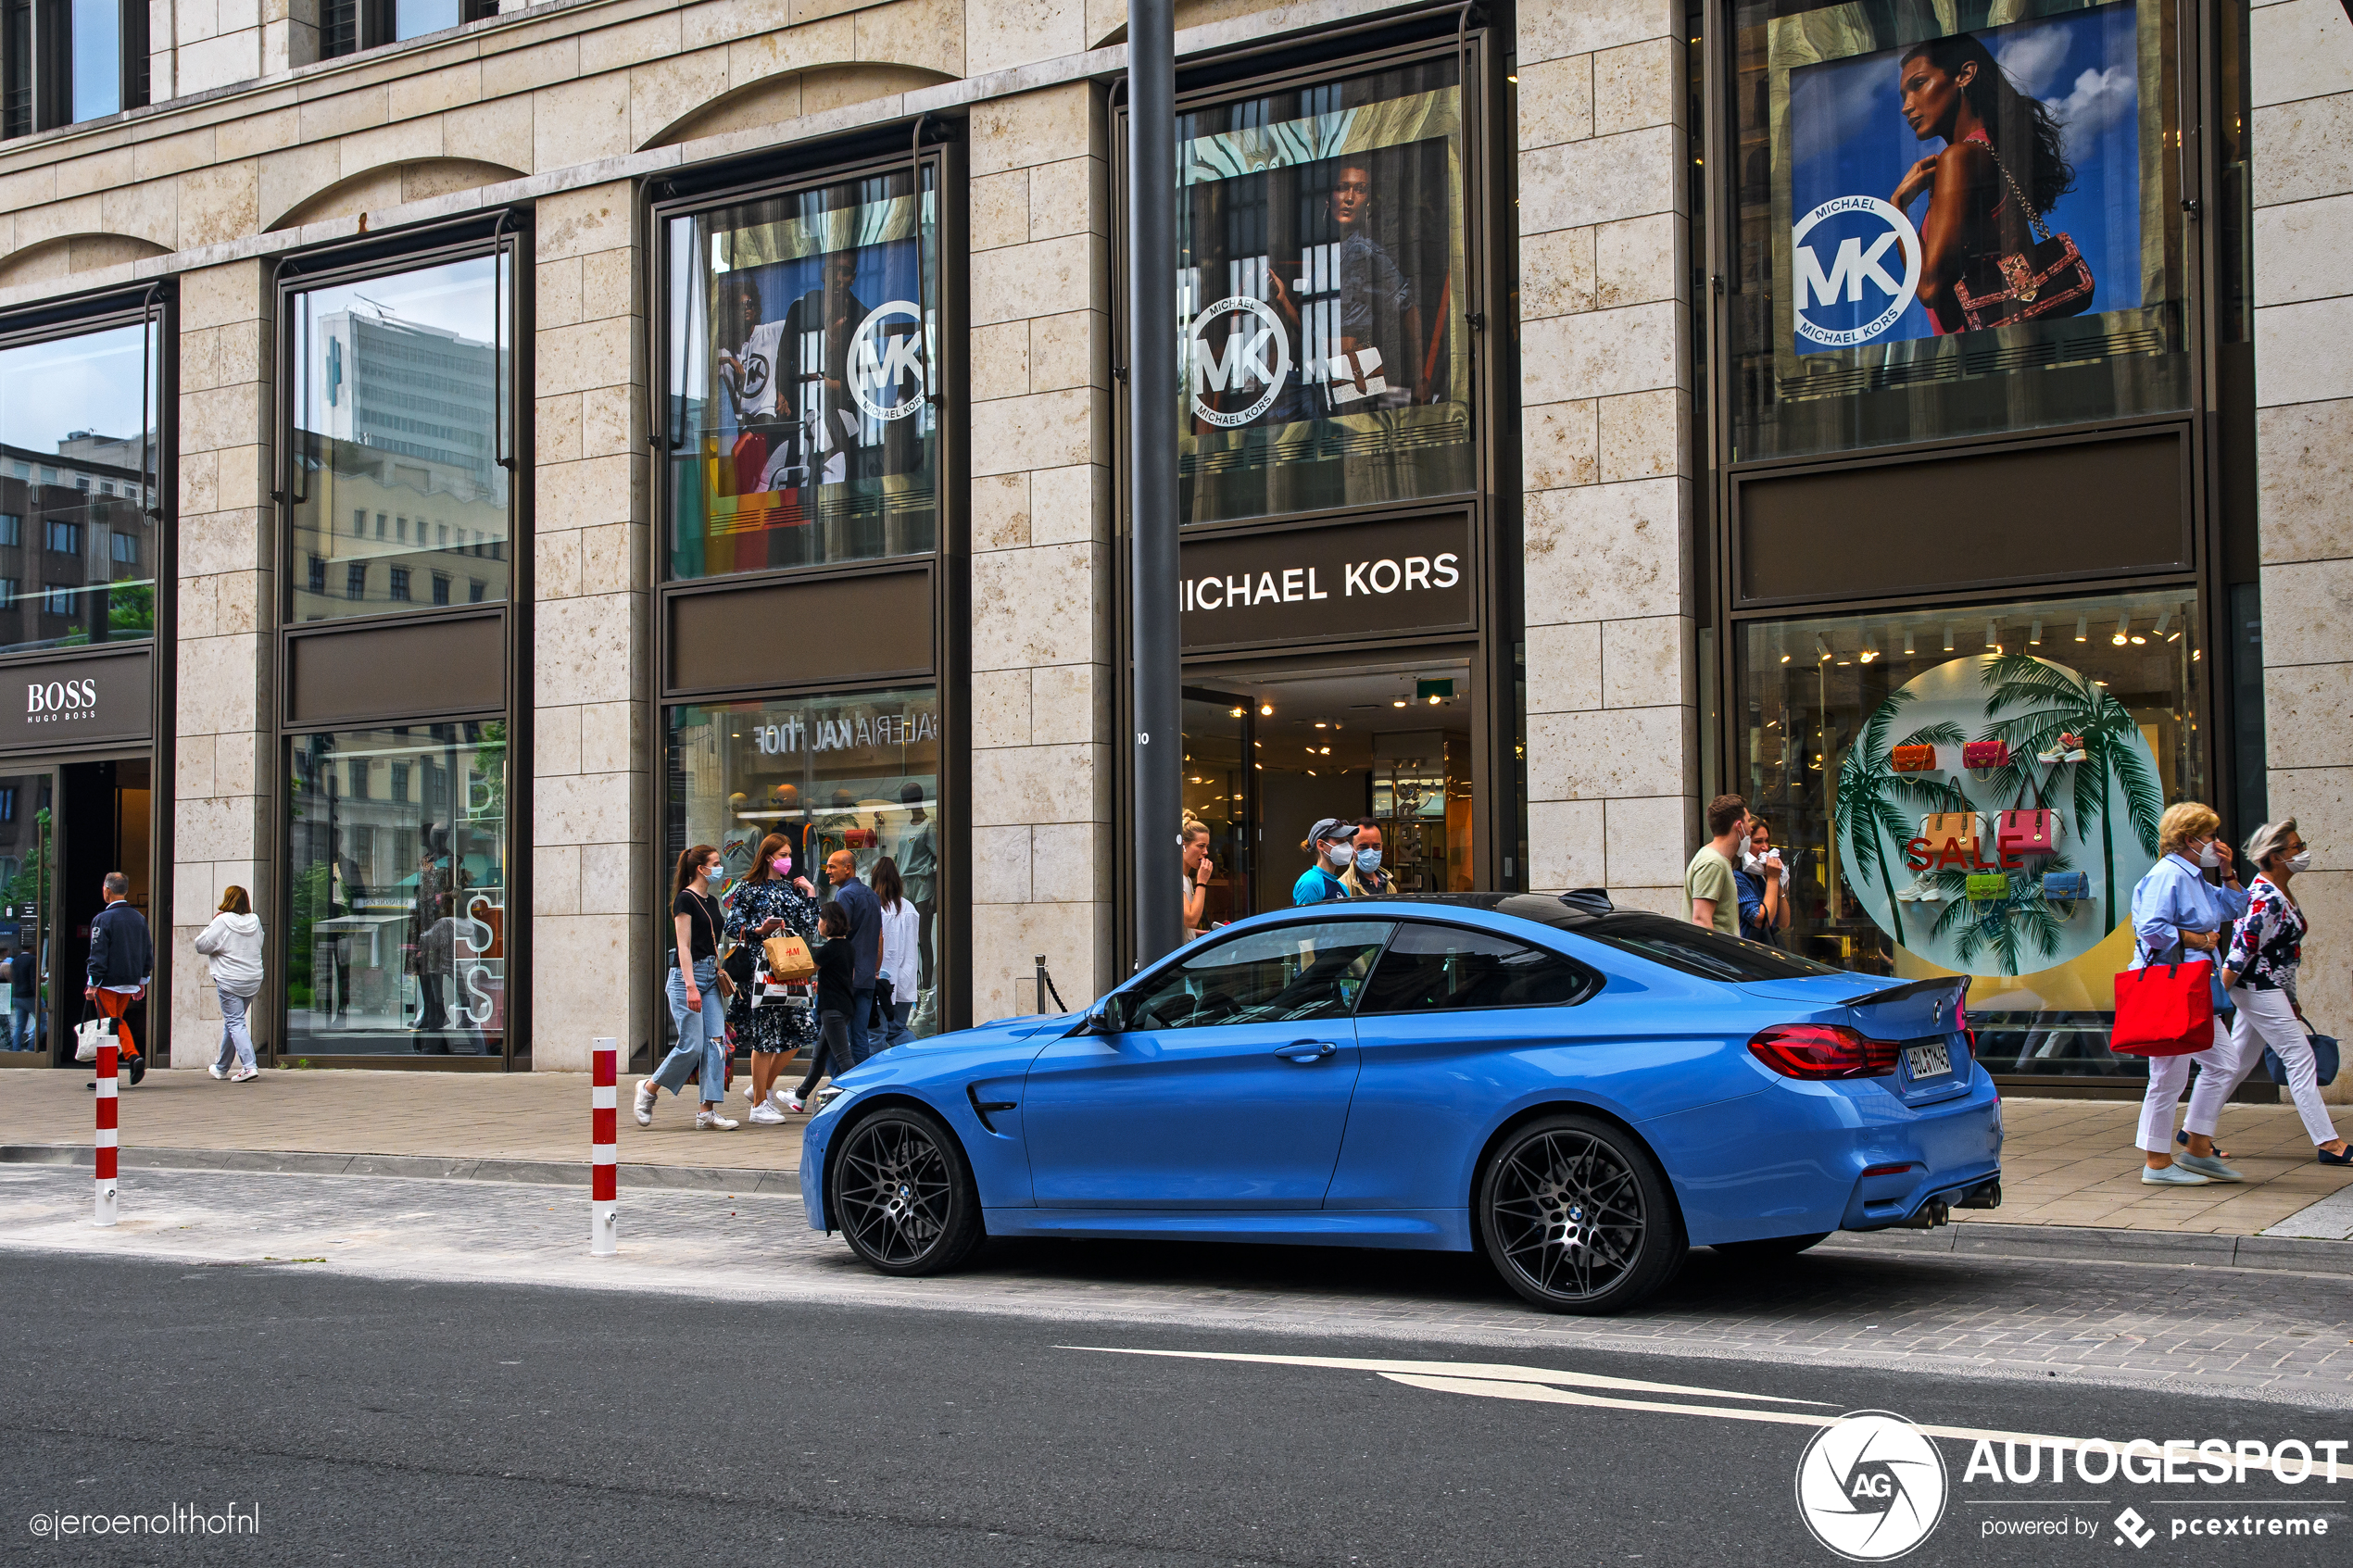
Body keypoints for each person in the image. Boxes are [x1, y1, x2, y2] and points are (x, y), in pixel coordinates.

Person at [1888, 32, 2079, 335]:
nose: (1907, 106)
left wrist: (1896, 208)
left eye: (1919, 84)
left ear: (1964, 75)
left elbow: (1928, 288)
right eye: (1903, 96)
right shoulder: (1992, 151)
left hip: (1978, 355)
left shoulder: (1960, 159)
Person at [2212, 821, 2350, 1164]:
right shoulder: (2266, 898)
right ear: (2274, 856)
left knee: (2238, 1061)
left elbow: (2283, 954)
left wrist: (2291, 997)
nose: (2302, 852)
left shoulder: (2278, 893)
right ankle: (2329, 1144)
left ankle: (2193, 1131)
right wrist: (2213, 999)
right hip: (2258, 988)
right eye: (2296, 847)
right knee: (2299, 1058)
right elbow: (2241, 951)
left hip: (2267, 988)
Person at [2126, 802, 2249, 1185]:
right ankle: (2157, 1162)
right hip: (2173, 983)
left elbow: (2237, 907)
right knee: (2168, 1074)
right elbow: (2150, 928)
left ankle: (2197, 1148)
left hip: (2191, 983)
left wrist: (2228, 872)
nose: (2216, 842)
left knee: (2222, 1063)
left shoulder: (2192, 876)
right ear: (2188, 839)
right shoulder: (2169, 875)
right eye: (2210, 836)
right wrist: (2198, 937)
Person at [634, 845, 737, 1130]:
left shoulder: (712, 901)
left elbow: (713, 941)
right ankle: (648, 1089)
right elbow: (683, 946)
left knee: (717, 1044)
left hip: (710, 977)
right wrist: (691, 986)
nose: (720, 868)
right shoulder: (685, 900)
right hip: (685, 979)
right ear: (700, 868)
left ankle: (707, 1111)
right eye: (715, 863)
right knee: (691, 1045)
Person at [724, 832, 820, 1123]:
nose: (788, 861)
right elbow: (732, 925)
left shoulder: (792, 889)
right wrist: (759, 929)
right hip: (761, 967)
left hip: (790, 966)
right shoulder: (748, 888)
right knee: (765, 1034)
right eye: (782, 855)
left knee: (802, 1030)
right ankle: (758, 1105)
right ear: (768, 857)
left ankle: (760, 1088)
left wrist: (811, 894)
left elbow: (811, 925)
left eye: (789, 855)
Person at [785, 901, 862, 1112]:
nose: (818, 923)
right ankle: (800, 1096)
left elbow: (806, 971)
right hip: (845, 1005)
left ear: (829, 923)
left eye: (820, 919)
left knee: (843, 1056)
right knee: (820, 1054)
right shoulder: (848, 947)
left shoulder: (827, 950)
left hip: (831, 1008)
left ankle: (861, 1094)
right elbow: (845, 975)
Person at [84, 872, 151, 1088]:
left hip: (108, 982)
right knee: (114, 1022)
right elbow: (147, 951)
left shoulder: (102, 919)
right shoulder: (139, 918)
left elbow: (98, 954)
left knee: (110, 1024)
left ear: (107, 890)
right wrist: (142, 979)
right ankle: (113, 1072)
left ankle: (129, 1058)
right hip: (130, 979)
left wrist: (92, 983)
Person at [195, 885, 264, 1083]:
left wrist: (215, 924)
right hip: (252, 978)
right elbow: (259, 942)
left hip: (230, 980)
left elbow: (201, 945)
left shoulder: (223, 920)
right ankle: (221, 1067)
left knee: (235, 1022)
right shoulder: (255, 920)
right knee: (234, 1021)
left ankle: (249, 1066)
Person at [824, 848, 883, 1066]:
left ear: (848, 868)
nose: (828, 870)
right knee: (859, 1036)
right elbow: (878, 936)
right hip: (866, 975)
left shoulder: (845, 895)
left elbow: (838, 935)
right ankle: (861, 1084)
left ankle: (840, 1083)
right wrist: (875, 968)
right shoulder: (871, 895)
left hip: (845, 977)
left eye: (832, 866)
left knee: (828, 1035)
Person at [874, 856, 921, 1047]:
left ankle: (876, 1073)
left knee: (876, 1032)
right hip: (905, 980)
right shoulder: (909, 907)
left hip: (882, 979)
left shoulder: (876, 907)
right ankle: (918, 1062)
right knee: (898, 1030)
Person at [1686, 795, 1749, 935]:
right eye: (1748, 822)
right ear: (1739, 826)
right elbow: (1701, 920)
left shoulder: (1716, 861)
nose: (1750, 829)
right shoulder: (1713, 863)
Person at [1737, 817, 1789, 946]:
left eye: (1766, 841)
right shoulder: (1738, 877)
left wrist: (1777, 882)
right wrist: (1772, 879)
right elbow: (1761, 920)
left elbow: (1783, 922)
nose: (1765, 847)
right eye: (1758, 841)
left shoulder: (1761, 878)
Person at [1293, 818, 1358, 906]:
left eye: (1346, 841)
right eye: (1340, 841)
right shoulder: (1311, 884)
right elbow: (1305, 919)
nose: (1346, 846)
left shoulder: (1343, 887)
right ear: (1321, 845)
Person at [1342, 817, 1394, 897]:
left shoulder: (1389, 886)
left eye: (1376, 847)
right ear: (1351, 849)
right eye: (1363, 847)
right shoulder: (1343, 888)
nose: (1371, 852)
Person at [6, 940, 30, 1052]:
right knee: (44, 1021)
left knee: (20, 1025)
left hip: (17, 995)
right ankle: (31, 1047)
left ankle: (16, 1049)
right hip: (29, 995)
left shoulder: (15, 961)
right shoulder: (32, 959)